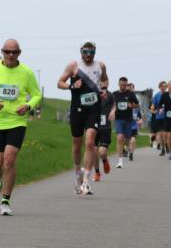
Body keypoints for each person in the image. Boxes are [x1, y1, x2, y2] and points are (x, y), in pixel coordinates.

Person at [0, 39, 42, 215]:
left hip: (17, 121)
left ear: (19, 53)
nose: (11, 55)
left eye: (14, 52)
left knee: (9, 159)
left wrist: (28, 106)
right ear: (2, 52)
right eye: (7, 52)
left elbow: (37, 94)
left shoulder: (27, 72)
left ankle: (5, 201)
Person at [56, 42, 108, 196]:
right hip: (77, 109)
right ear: (81, 52)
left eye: (91, 52)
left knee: (90, 142)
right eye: (85, 51)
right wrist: (72, 87)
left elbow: (105, 80)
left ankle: (86, 180)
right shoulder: (73, 66)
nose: (88, 55)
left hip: (94, 109)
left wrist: (104, 89)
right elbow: (59, 83)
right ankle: (78, 172)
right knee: (77, 144)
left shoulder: (101, 66)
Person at [111, 77, 139, 168]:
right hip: (118, 119)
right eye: (121, 84)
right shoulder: (114, 94)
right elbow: (110, 105)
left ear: (126, 85)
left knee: (127, 140)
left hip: (128, 120)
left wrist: (132, 106)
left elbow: (137, 104)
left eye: (124, 85)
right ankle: (120, 161)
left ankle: (130, 151)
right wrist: (111, 112)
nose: (122, 86)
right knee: (119, 138)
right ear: (118, 84)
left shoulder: (130, 94)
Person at [93, 87, 115, 182]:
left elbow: (115, 105)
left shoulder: (110, 95)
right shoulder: (92, 94)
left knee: (102, 152)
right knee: (94, 151)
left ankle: (105, 160)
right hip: (93, 126)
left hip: (105, 127)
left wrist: (113, 111)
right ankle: (97, 172)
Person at [150, 81, 167, 155]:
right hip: (159, 118)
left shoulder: (168, 95)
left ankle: (167, 144)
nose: (163, 87)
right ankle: (163, 149)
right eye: (162, 86)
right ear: (159, 87)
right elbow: (152, 106)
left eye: (164, 86)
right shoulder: (157, 96)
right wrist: (153, 109)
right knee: (161, 134)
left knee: (166, 135)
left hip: (168, 118)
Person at [128, 83, 141, 158]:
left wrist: (140, 120)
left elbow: (139, 115)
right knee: (126, 140)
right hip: (126, 124)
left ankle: (131, 153)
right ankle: (127, 150)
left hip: (133, 126)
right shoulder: (124, 99)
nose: (130, 89)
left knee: (133, 140)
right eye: (129, 88)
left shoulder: (136, 101)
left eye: (132, 88)